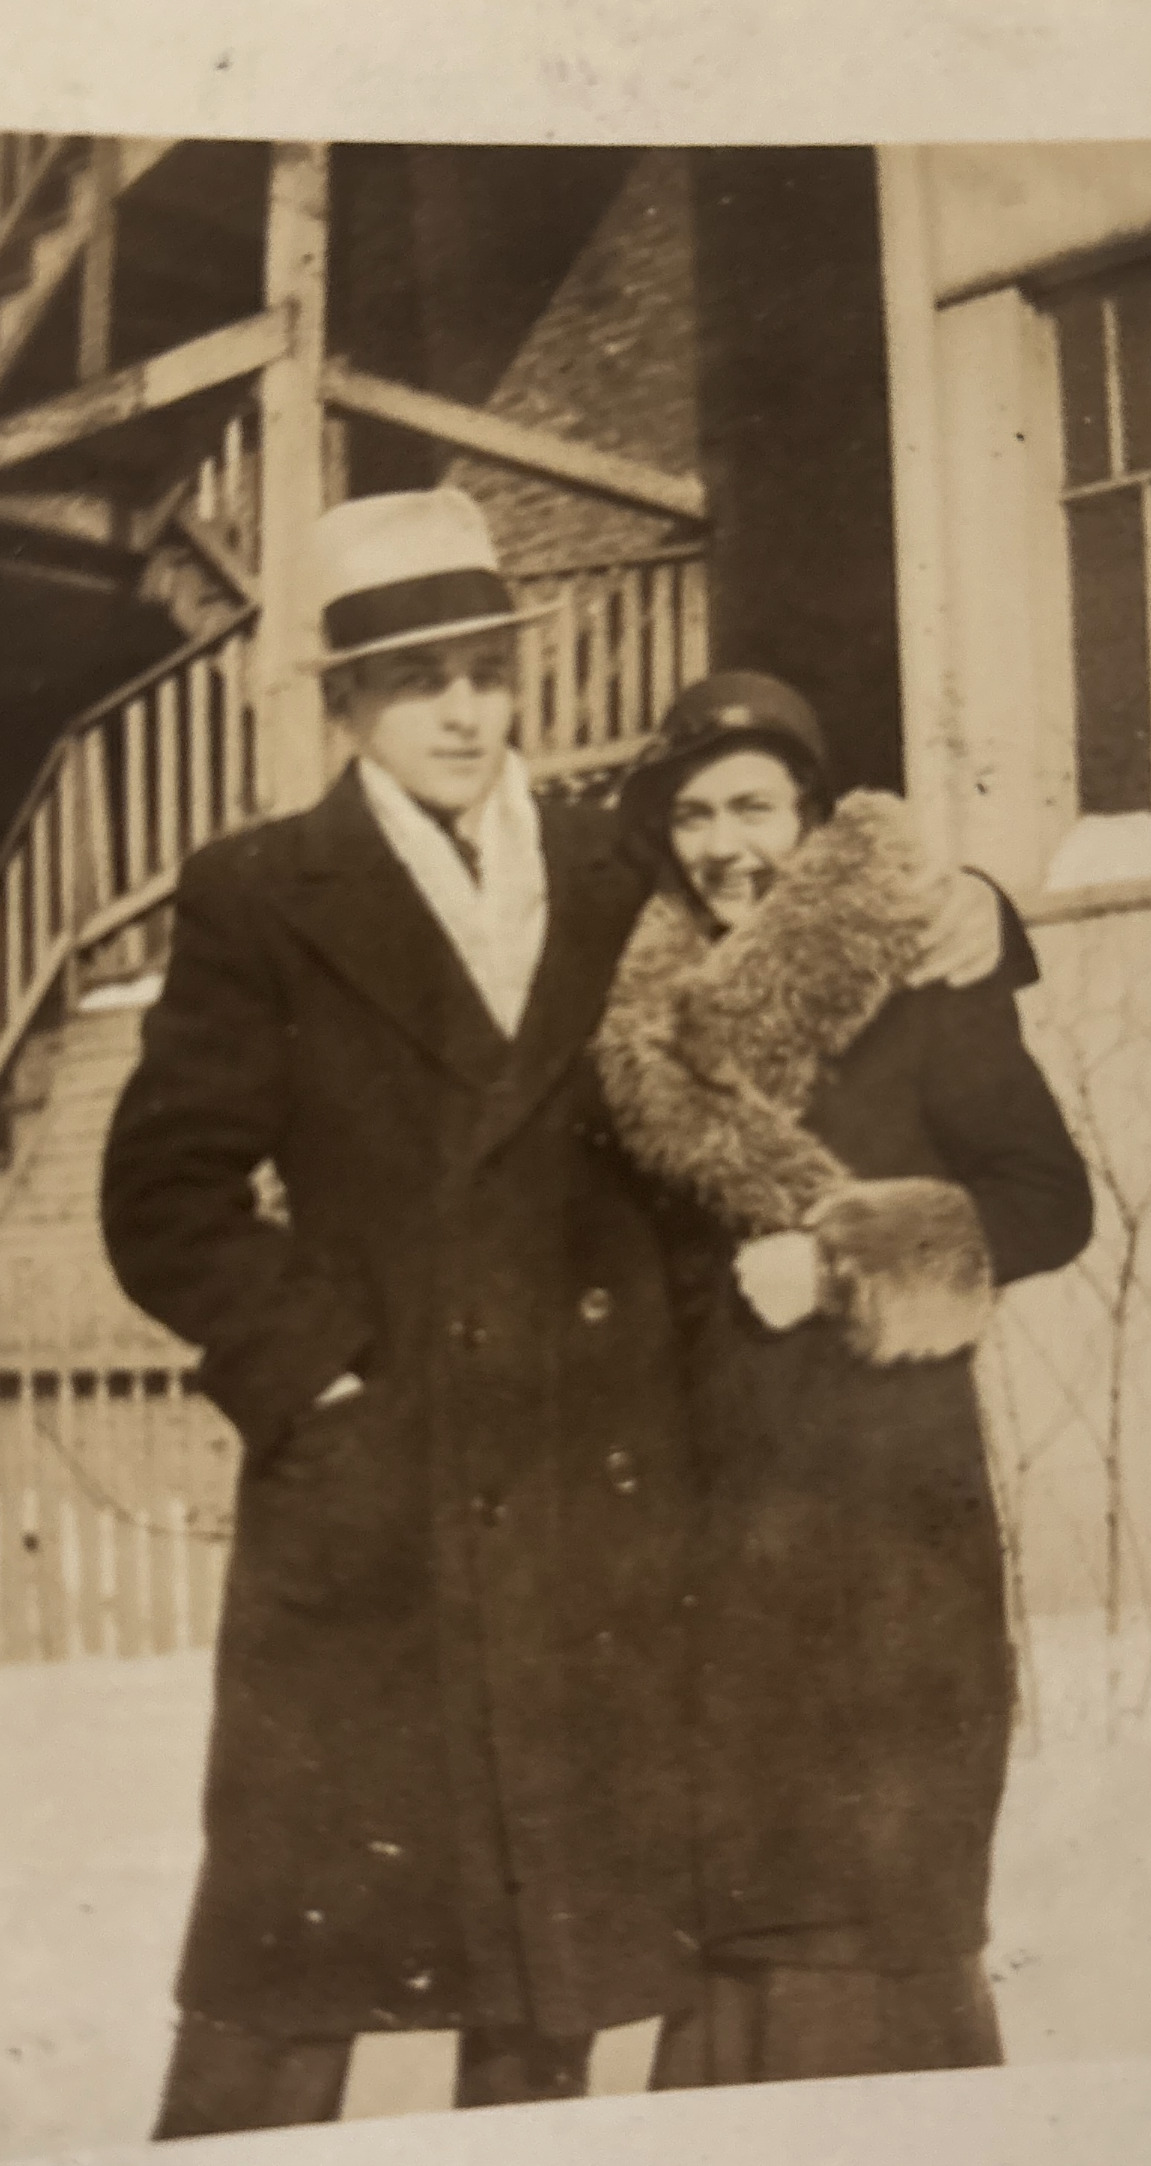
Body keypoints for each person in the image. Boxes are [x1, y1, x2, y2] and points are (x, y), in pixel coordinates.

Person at [101, 495, 1021, 2137]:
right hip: (382, 1483)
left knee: (558, 1967)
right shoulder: (262, 889)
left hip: (598, 1487)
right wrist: (312, 1375)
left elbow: (790, 930)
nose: (461, 710)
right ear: (344, 704)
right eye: (412, 680)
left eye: (482, 670)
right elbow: (161, 1193)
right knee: (289, 1976)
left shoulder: (613, 866)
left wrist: (982, 915)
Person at [593, 672, 1094, 2090]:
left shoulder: (917, 974)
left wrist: (846, 1261)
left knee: (866, 1931)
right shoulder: (636, 1014)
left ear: (812, 820)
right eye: (690, 813)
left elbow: (1046, 1198)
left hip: (886, 1532)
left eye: (752, 803)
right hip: (710, 1538)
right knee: (732, 1930)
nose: (720, 842)